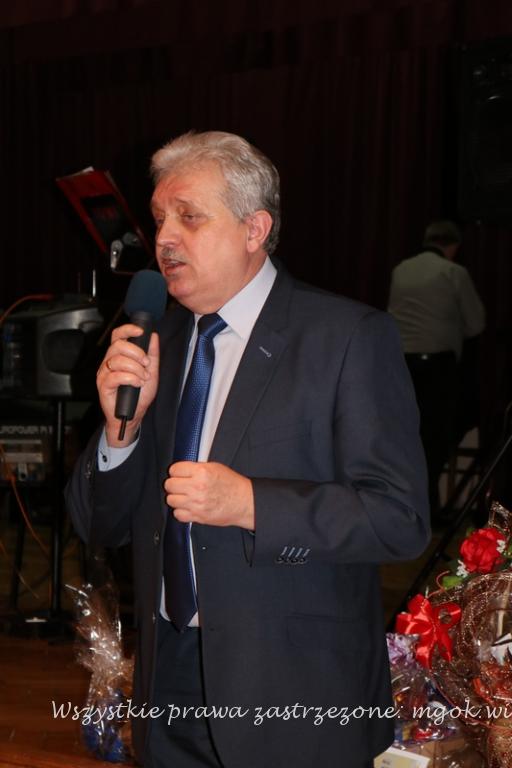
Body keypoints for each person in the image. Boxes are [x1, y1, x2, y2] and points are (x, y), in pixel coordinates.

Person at [66, 130, 430, 768]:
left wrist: (251, 504)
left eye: (189, 217)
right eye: (159, 218)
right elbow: (99, 524)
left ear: (254, 229)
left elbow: (399, 519)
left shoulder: (346, 337)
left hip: (296, 687)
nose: (164, 238)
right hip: (168, 679)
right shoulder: (156, 344)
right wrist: (121, 432)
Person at [388, 220, 485, 517]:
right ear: (453, 246)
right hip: (438, 367)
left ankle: (408, 505)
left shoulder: (401, 270)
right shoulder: (453, 272)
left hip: (401, 365)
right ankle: (428, 506)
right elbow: (476, 323)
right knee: (435, 439)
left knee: (405, 437)